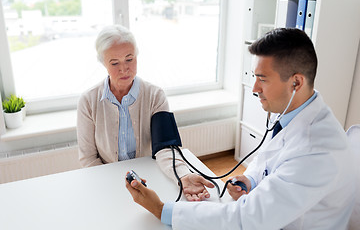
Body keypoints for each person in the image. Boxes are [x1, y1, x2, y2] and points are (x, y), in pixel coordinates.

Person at [125, 28, 356, 229]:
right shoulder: (296, 113)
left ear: (296, 82)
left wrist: (161, 209)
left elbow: (246, 220)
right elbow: (270, 159)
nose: (254, 88)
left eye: (262, 79)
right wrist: (250, 180)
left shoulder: (317, 148)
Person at [77, 25, 214, 201]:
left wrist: (184, 176)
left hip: (149, 178)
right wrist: (117, 185)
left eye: (129, 59)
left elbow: (166, 148)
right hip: (107, 183)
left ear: (137, 56)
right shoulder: (88, 101)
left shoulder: (155, 95)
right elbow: (88, 158)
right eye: (114, 63)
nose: (124, 69)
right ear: (103, 63)